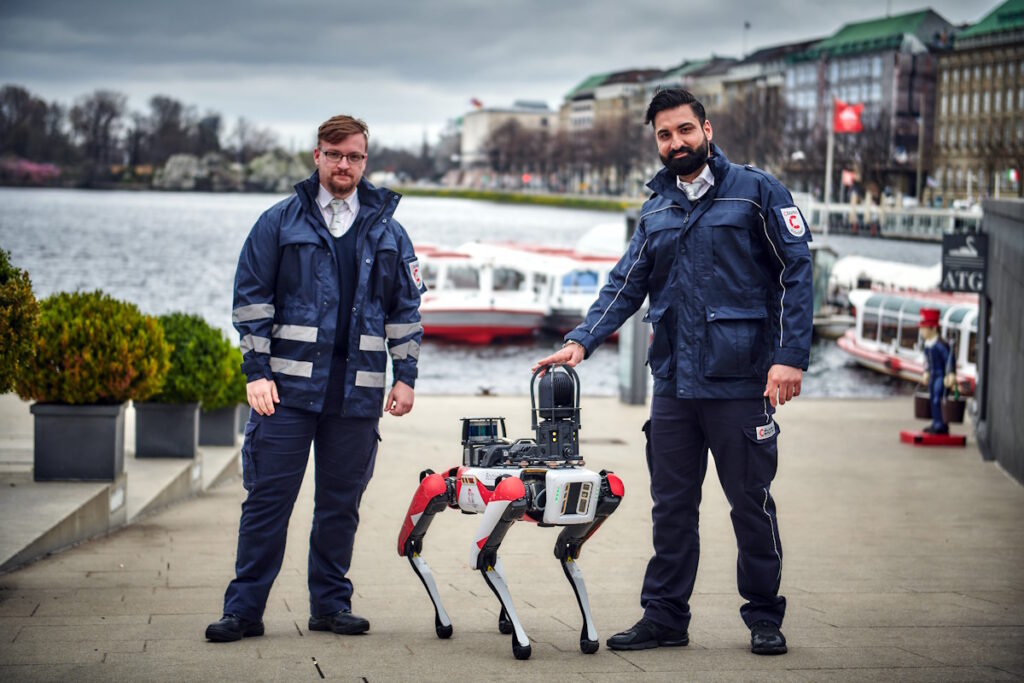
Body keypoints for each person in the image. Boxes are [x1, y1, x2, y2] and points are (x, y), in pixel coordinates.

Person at [534, 89, 812, 656]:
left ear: (707, 130)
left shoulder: (758, 192)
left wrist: (789, 357)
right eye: (665, 135)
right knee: (672, 509)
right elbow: (625, 283)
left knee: (750, 504)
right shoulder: (657, 208)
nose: (676, 142)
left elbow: (797, 271)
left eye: (685, 129)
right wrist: (581, 340)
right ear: (657, 142)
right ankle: (664, 617)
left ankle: (764, 616)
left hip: (741, 381)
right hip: (674, 384)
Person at [206, 115, 426, 642]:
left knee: (340, 506)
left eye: (354, 156)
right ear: (317, 156)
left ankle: (329, 605)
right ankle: (243, 611)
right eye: (334, 154)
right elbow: (251, 303)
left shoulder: (389, 232)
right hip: (285, 394)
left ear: (365, 161)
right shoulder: (278, 223)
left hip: (357, 395)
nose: (343, 164)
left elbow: (405, 311)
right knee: (267, 502)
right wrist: (256, 373)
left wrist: (406, 376)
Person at [919, 307, 953, 434]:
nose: (922, 331)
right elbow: (927, 361)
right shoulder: (928, 345)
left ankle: (941, 424)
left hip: (941, 375)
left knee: (938, 398)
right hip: (933, 374)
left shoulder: (940, 344)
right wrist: (926, 371)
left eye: (924, 328)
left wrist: (950, 373)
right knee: (932, 397)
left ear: (933, 328)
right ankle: (936, 421)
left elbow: (949, 359)